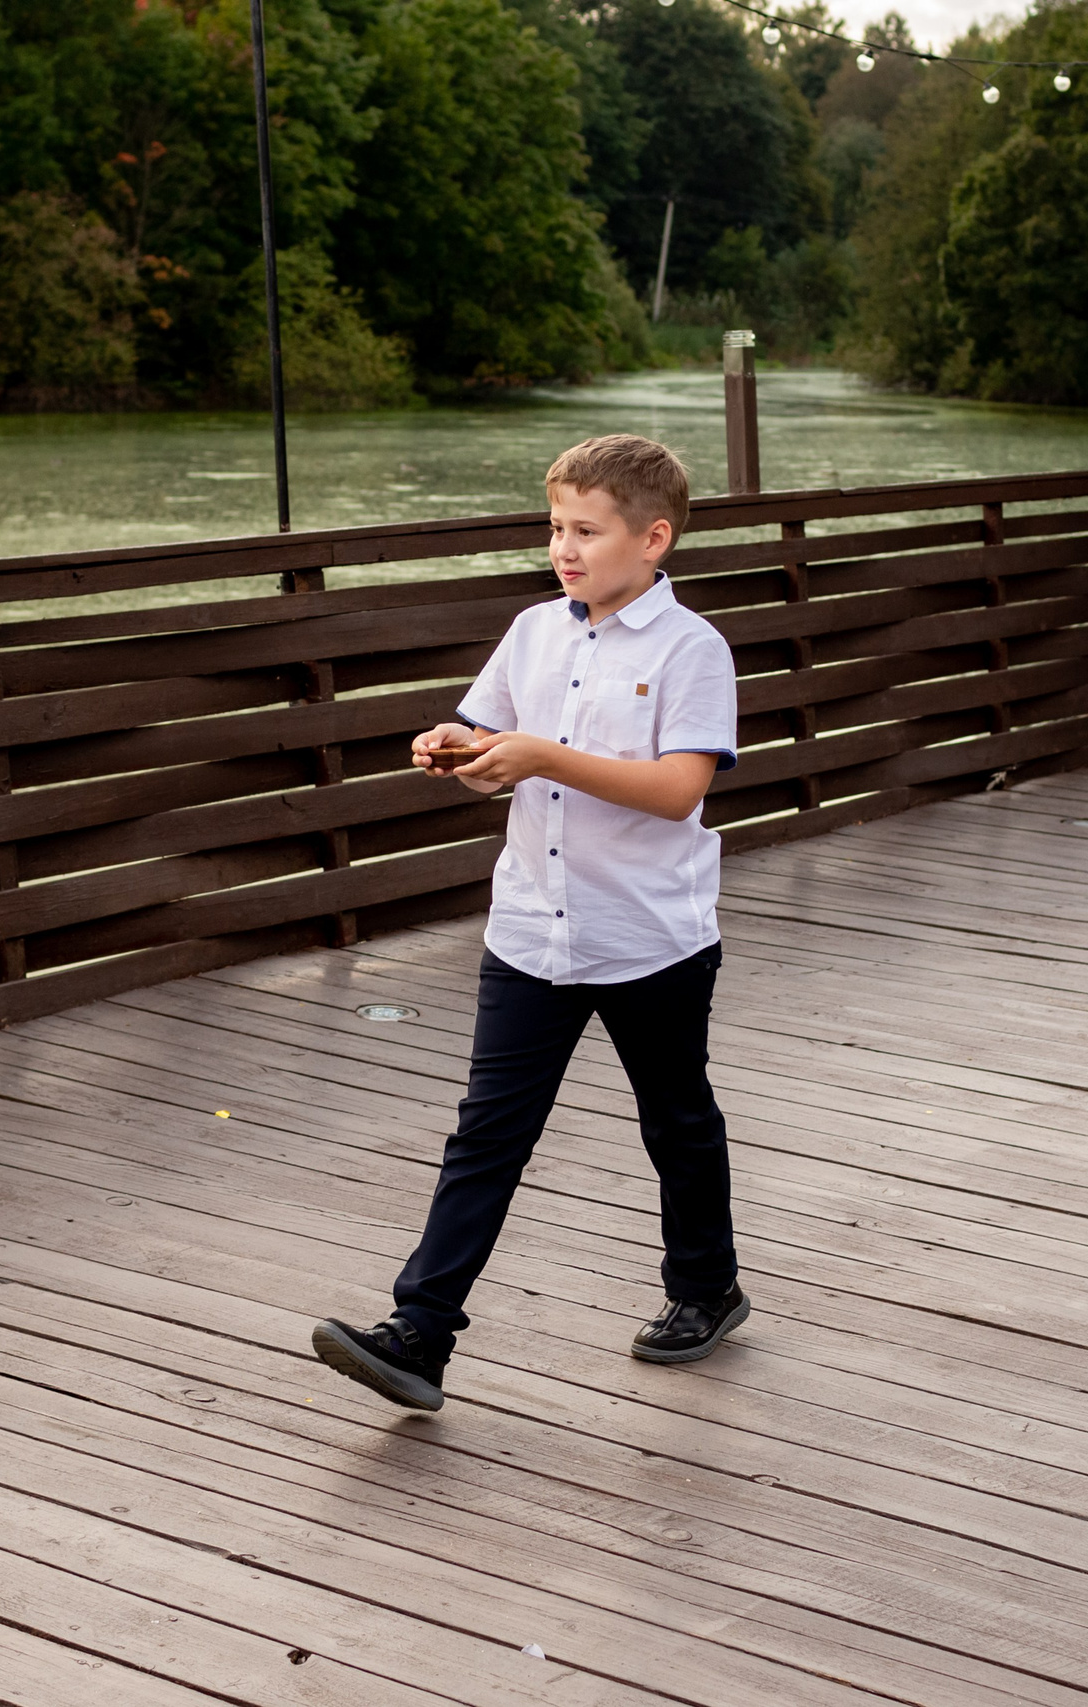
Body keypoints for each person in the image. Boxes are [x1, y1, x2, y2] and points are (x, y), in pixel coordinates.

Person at [311, 433, 748, 1413]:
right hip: (530, 936)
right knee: (486, 1135)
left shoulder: (693, 651)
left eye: (586, 531)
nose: (564, 547)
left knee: (675, 1119)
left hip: (651, 941)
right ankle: (419, 1334)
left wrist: (540, 755)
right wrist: (453, 749)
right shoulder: (532, 633)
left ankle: (705, 1289)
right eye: (555, 527)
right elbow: (492, 745)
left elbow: (678, 792)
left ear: (653, 538)